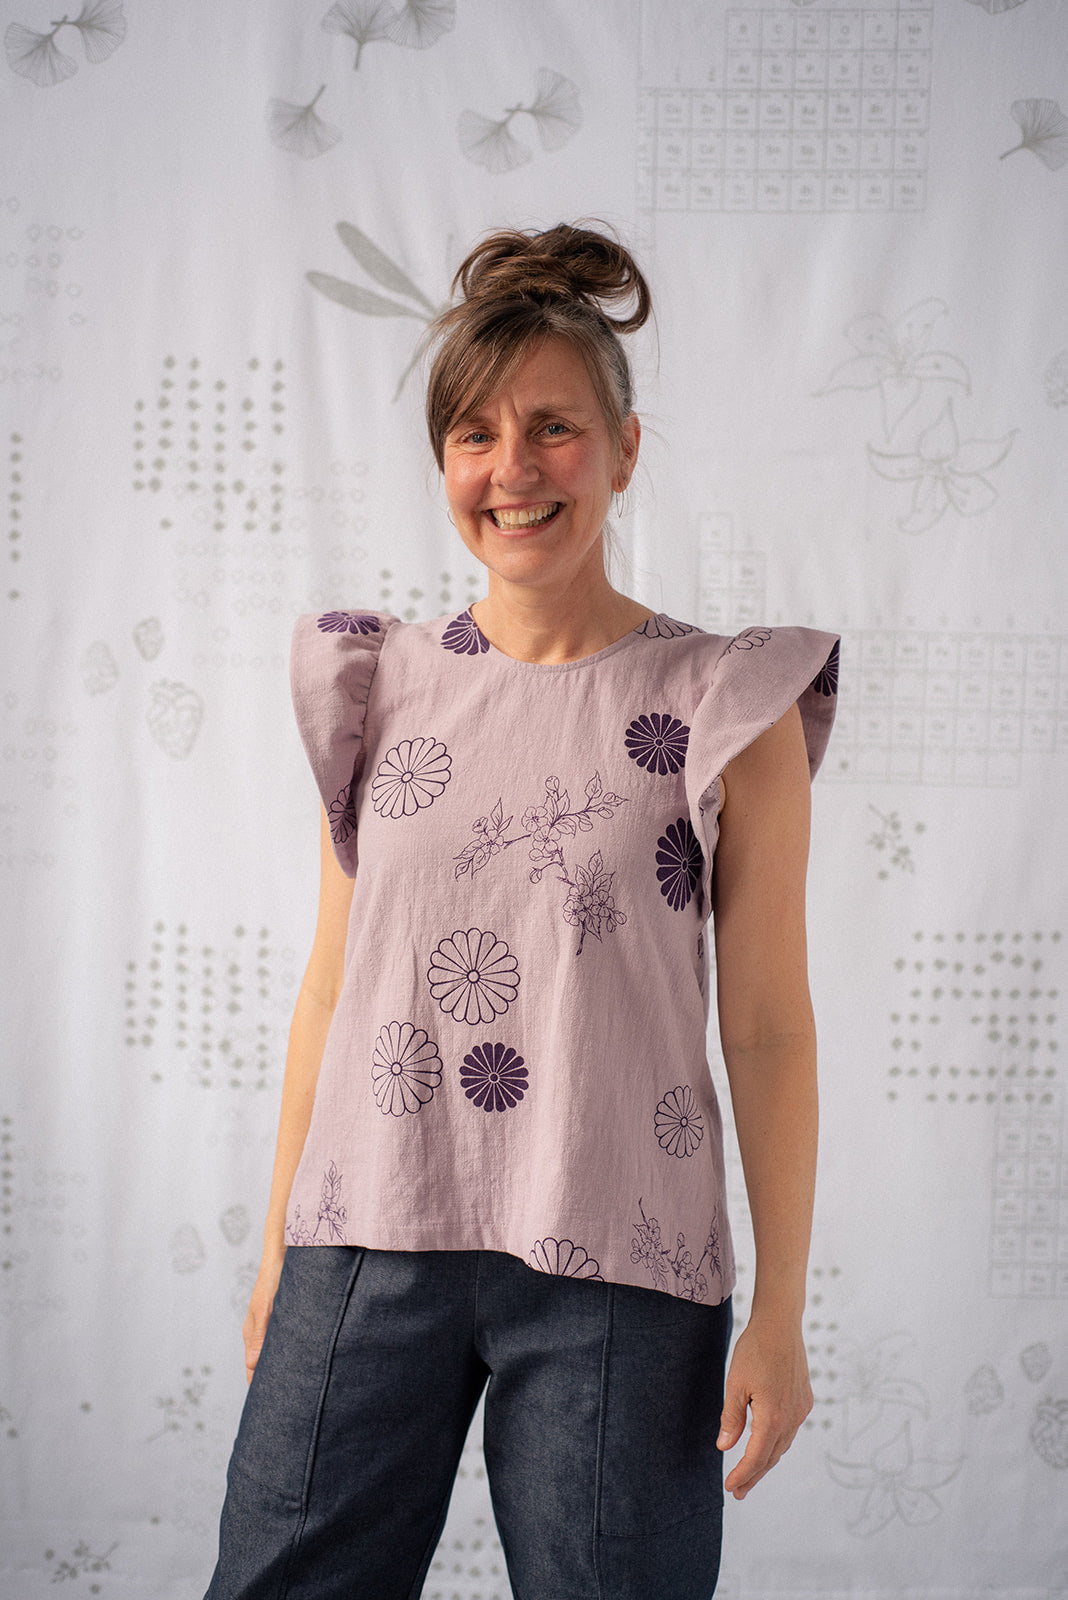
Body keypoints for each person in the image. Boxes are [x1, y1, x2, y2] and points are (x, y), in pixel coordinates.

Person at [204, 222, 839, 1600]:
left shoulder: (726, 707)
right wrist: (276, 1254)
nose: (514, 468)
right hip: (366, 1234)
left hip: (623, 1255)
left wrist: (783, 1310)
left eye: (554, 427)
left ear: (623, 449)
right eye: (476, 435)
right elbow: (331, 987)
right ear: (444, 464)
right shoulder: (380, 685)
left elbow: (770, 1027)